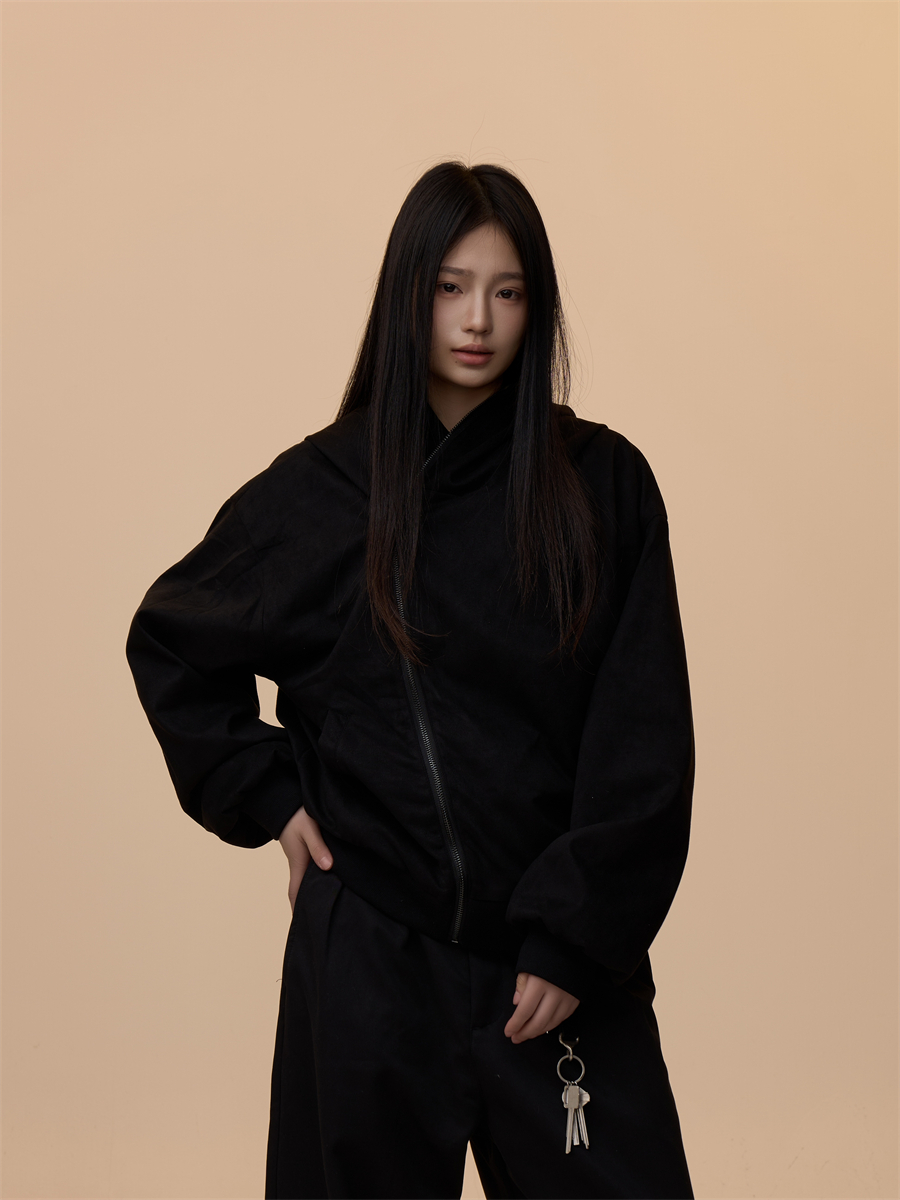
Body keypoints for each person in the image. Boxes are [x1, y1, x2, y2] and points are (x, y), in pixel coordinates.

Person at [126, 161, 695, 1200]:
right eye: (450, 287)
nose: (477, 319)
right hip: (371, 966)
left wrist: (574, 937)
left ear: (537, 306)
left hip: (558, 965)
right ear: (408, 295)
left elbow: (643, 738)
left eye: (507, 291)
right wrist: (270, 797)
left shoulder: (600, 486)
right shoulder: (324, 492)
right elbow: (173, 640)